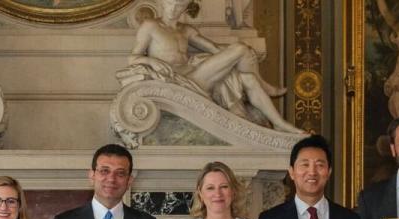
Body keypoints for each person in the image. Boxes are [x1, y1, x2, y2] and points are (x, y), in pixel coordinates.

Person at [119, 0, 302, 132]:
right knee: (239, 49)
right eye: (170, 4)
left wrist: (239, 56)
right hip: (178, 82)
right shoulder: (150, 26)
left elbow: (215, 49)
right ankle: (266, 87)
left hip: (195, 76)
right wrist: (151, 61)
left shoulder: (186, 30)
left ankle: (278, 123)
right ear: (161, 3)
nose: (173, 9)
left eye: (179, 5)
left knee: (247, 77)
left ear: (185, 7)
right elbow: (133, 58)